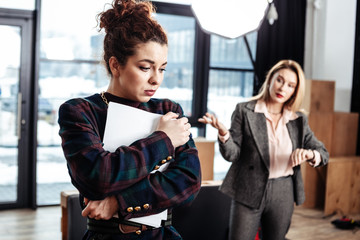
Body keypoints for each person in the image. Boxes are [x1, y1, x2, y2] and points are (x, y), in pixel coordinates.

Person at [58, 0, 201, 239]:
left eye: (162, 68)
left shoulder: (168, 109)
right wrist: (164, 139)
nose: (156, 79)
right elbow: (98, 177)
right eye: (146, 67)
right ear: (115, 65)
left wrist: (118, 201)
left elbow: (189, 181)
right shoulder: (81, 111)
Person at [198, 59, 329, 240]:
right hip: (248, 187)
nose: (283, 88)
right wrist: (223, 134)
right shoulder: (244, 110)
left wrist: (310, 153)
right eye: (280, 80)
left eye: (291, 85)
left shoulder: (298, 119)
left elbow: (322, 153)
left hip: (284, 190)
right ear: (270, 79)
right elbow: (232, 154)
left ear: (295, 91)